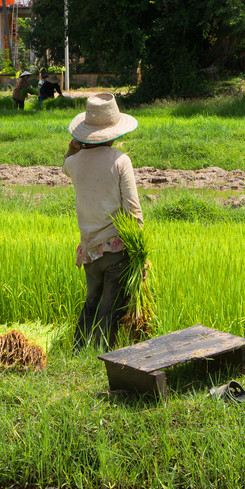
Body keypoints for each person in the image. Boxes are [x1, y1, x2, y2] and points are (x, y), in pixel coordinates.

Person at [61, 92, 142, 350]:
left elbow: (66, 163)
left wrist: (73, 148)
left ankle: (78, 349)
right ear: (115, 132)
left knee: (92, 302)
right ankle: (101, 356)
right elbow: (133, 210)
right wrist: (140, 249)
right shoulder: (120, 160)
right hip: (116, 250)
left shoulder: (74, 164)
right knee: (111, 308)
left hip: (89, 251)